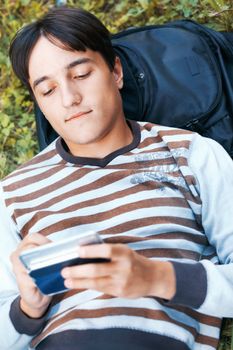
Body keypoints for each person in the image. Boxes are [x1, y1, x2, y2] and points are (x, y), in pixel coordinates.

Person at [1, 6, 233, 350]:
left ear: (116, 72)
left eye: (80, 74)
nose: (69, 98)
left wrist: (157, 277)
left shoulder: (192, 154)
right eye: (47, 90)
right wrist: (27, 308)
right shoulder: (12, 193)